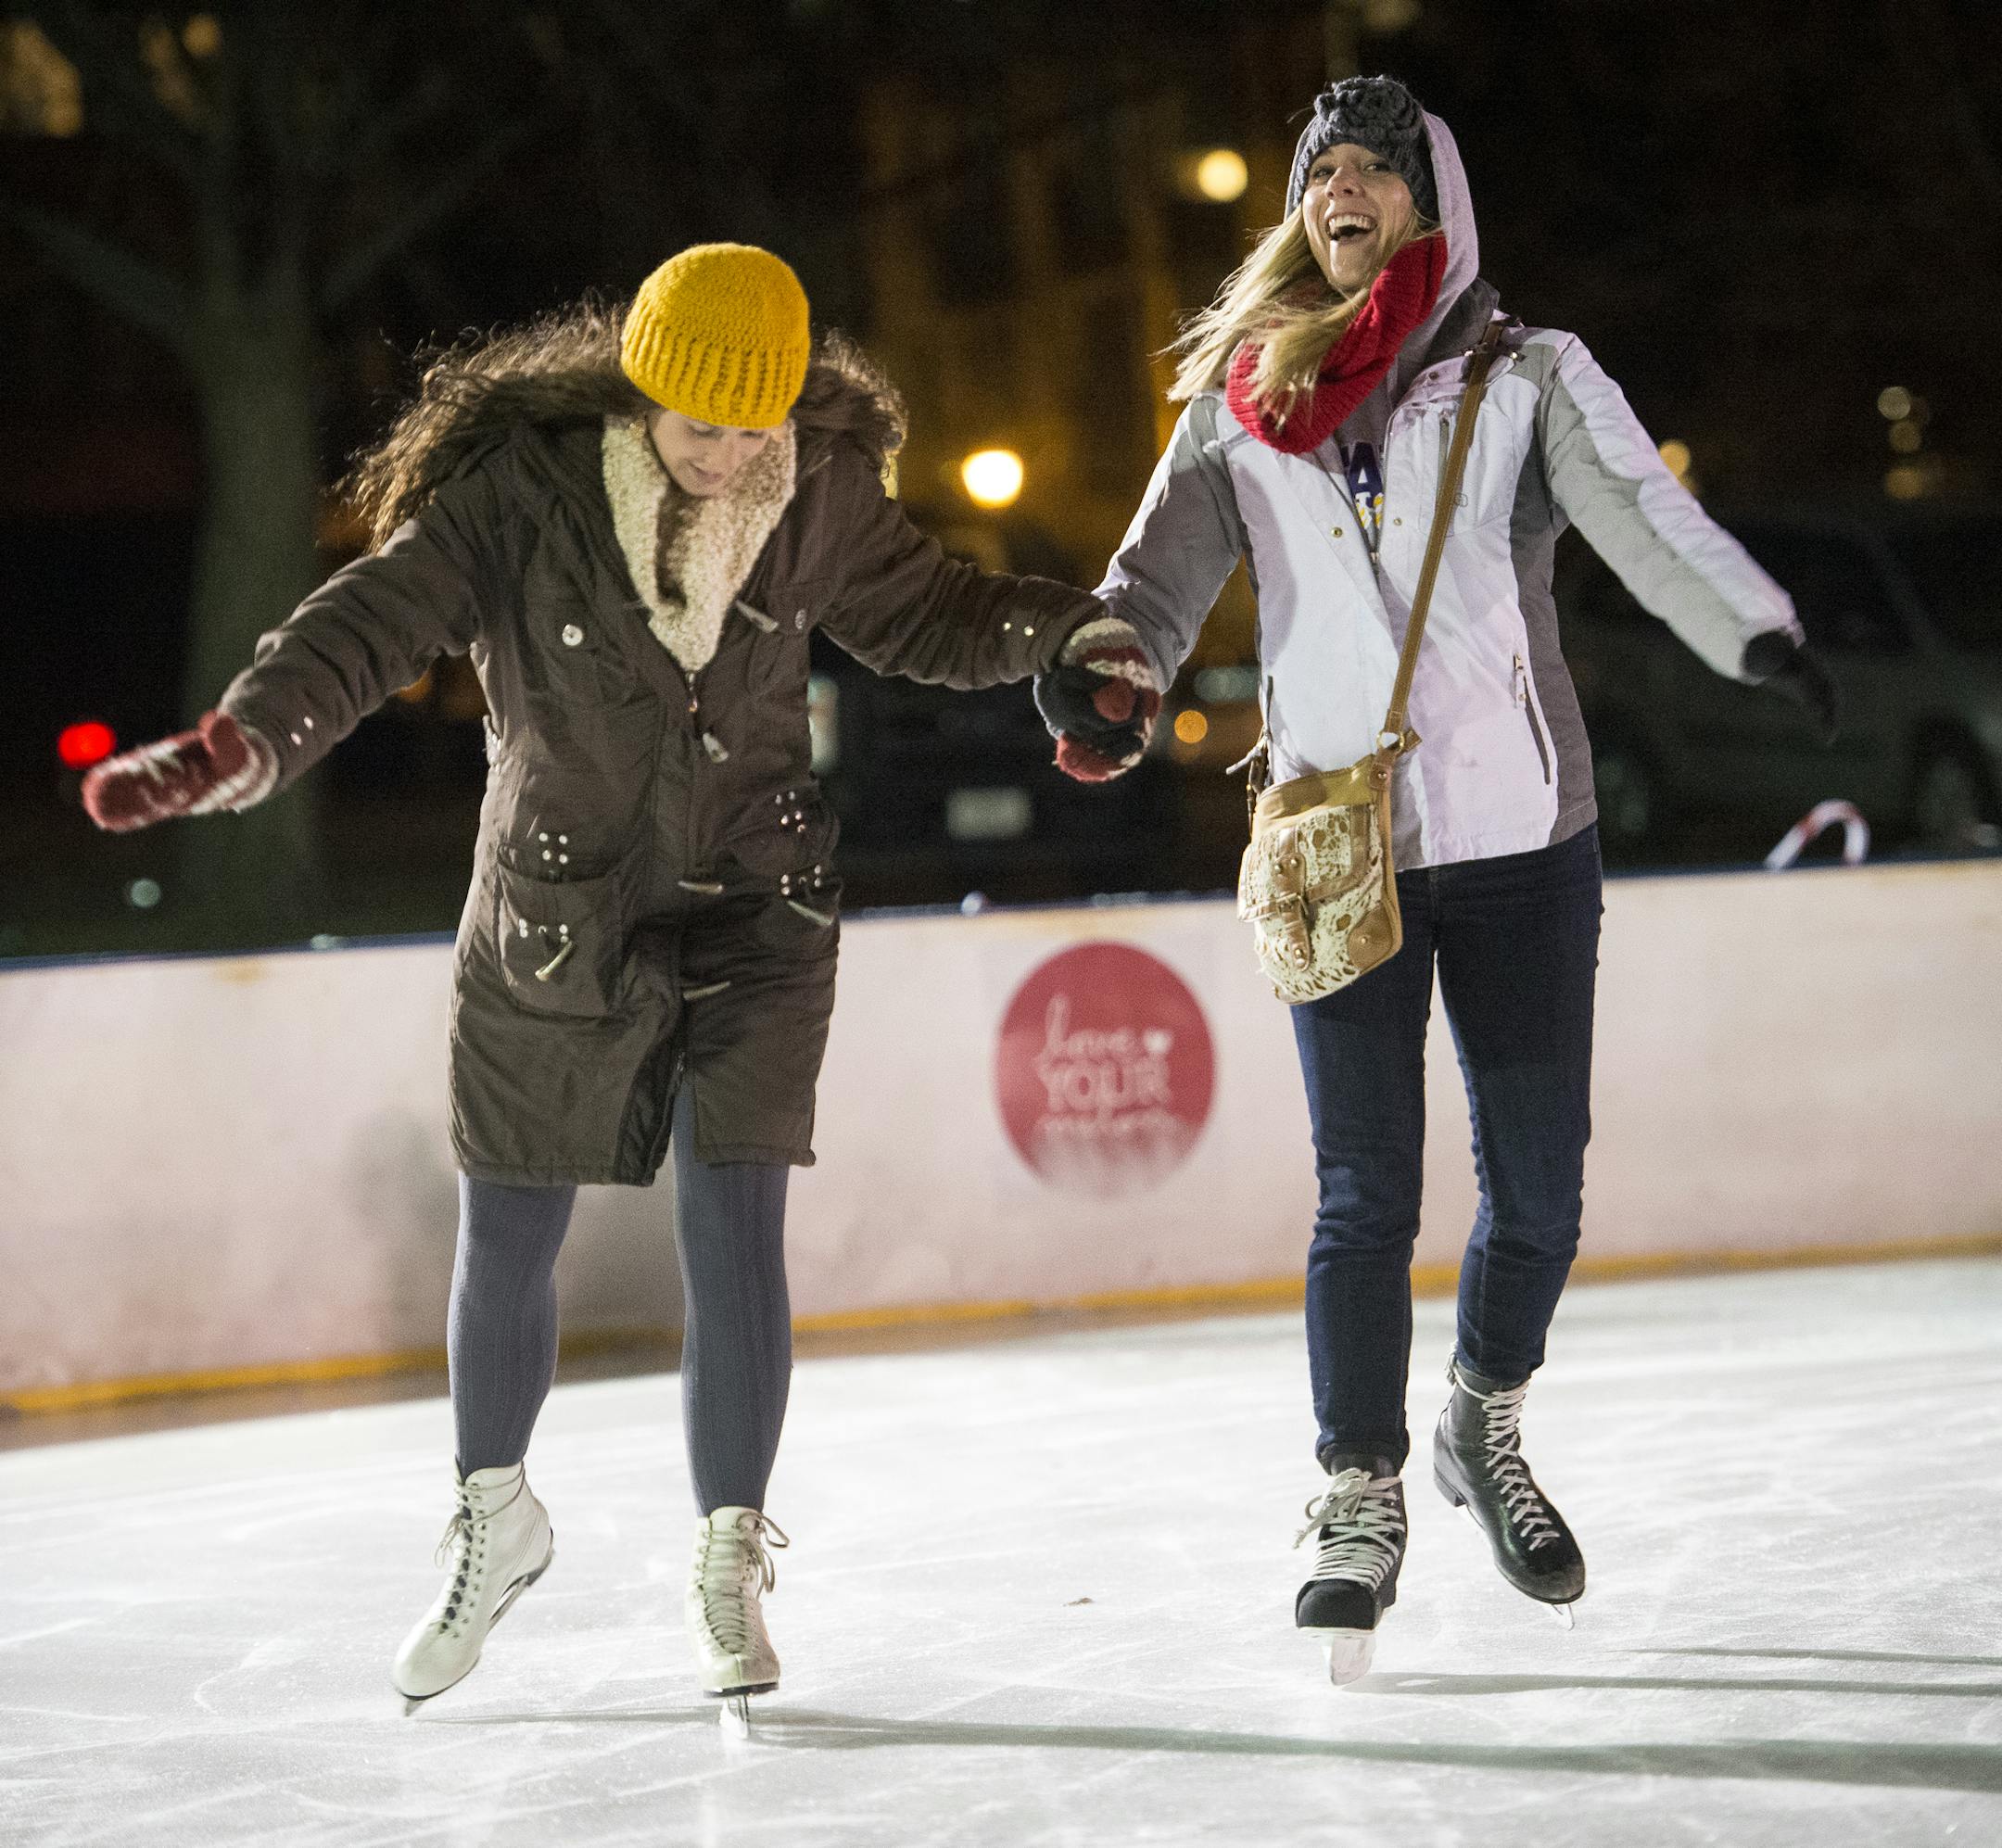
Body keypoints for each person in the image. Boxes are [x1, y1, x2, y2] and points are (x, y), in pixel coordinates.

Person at [82, 243, 1105, 1715]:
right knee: (511, 1225)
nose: (732, 457)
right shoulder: (524, 502)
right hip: (557, 916)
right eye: (705, 428)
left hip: (759, 906)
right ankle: (496, 1515)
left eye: (759, 427)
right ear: (643, 392)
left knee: (734, 1221)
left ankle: (729, 1548)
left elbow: (936, 611)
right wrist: (242, 742)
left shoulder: (811, 488)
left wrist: (1078, 637)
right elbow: (365, 626)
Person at [1033, 77, 1835, 1684]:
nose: (1338, 192)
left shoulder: (1528, 379)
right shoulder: (1237, 408)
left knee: (1539, 1191)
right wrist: (1104, 673)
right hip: (1343, 849)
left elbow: (1646, 518)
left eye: (1371, 173)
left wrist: (1752, 627)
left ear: (1433, 207)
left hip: (1527, 839)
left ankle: (1481, 1415)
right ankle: (1357, 1488)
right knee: (1362, 1192)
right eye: (1318, 173)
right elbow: (1150, 583)